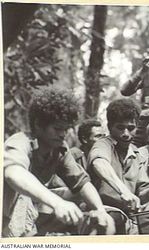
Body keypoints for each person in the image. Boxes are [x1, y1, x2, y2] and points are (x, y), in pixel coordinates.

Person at [2, 85, 115, 237]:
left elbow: (81, 183)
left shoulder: (59, 149)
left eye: (66, 129)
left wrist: (100, 210)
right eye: (57, 128)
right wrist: (58, 203)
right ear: (38, 124)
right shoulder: (20, 142)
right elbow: (13, 173)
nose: (63, 134)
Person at [87, 98, 142, 215]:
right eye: (120, 128)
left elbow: (141, 192)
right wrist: (124, 191)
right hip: (101, 212)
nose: (126, 134)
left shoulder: (136, 154)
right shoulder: (103, 144)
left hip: (128, 216)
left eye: (131, 128)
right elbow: (99, 163)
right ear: (110, 127)